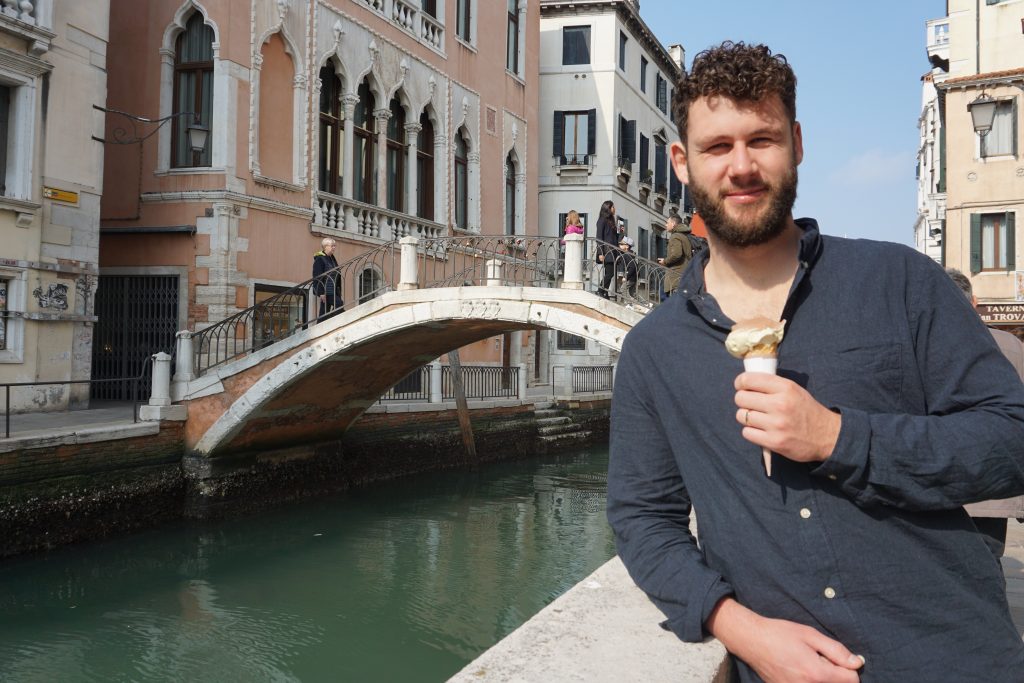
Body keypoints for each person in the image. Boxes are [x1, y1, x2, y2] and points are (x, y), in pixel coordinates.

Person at [606, 41, 1024, 682]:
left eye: (762, 140)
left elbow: (1009, 437)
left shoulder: (900, 282)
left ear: (796, 143)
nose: (741, 166)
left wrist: (837, 437)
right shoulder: (653, 352)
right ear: (682, 163)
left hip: (952, 659)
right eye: (718, 147)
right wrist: (738, 628)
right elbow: (643, 520)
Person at [945, 267, 1024, 559]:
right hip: (998, 483)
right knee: (989, 568)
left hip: (946, 480)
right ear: (974, 302)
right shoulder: (1013, 346)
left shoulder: (929, 344)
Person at [657, 212, 692, 297]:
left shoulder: (675, 236)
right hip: (683, 275)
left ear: (673, 224)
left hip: (675, 277)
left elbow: (677, 254)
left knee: (664, 298)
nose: (665, 225)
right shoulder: (684, 236)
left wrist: (665, 261)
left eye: (667, 223)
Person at [312, 237, 343, 320]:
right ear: (326, 247)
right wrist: (321, 292)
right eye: (332, 246)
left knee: (324, 313)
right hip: (326, 291)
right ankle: (333, 321)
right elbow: (317, 277)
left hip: (333, 290)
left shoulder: (332, 258)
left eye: (334, 246)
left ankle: (321, 327)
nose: (334, 248)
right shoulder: (320, 259)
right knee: (339, 304)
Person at [594, 201, 618, 299]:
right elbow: (599, 237)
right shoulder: (602, 220)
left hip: (612, 251)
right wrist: (600, 253)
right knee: (610, 273)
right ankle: (600, 290)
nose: (614, 209)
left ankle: (605, 292)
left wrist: (620, 232)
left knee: (610, 273)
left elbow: (614, 237)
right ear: (608, 208)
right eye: (613, 207)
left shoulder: (611, 221)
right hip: (606, 251)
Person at [617, 236, 639, 300]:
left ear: (627, 246)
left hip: (630, 277)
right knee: (632, 293)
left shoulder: (627, 255)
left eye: (621, 244)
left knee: (623, 289)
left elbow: (632, 267)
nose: (619, 245)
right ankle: (644, 304)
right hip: (633, 277)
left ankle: (633, 302)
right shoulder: (629, 254)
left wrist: (626, 277)